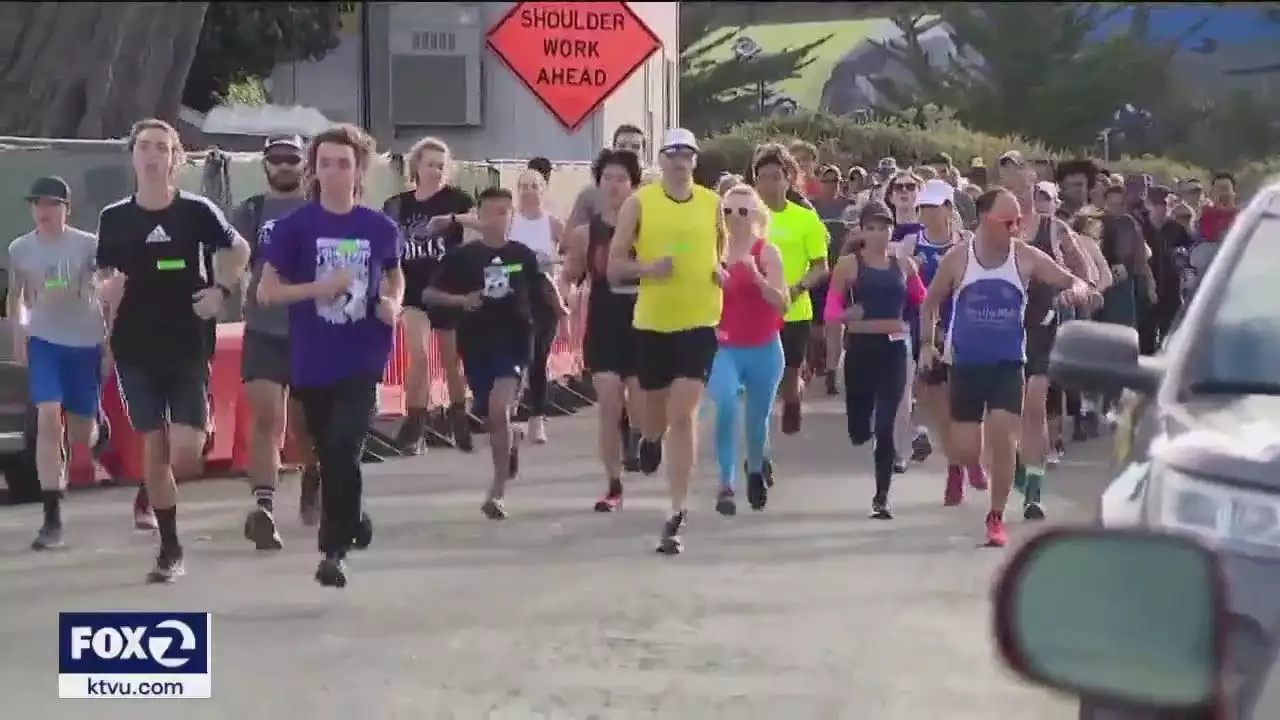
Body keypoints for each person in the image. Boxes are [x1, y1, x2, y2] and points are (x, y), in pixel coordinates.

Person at [96, 118, 251, 582]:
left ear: (175, 160)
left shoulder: (196, 211)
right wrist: (107, 290)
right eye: (144, 146)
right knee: (154, 442)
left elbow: (239, 248)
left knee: (186, 449)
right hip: (135, 345)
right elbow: (101, 274)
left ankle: (152, 485)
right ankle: (170, 549)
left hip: (186, 340)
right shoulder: (114, 217)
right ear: (133, 157)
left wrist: (221, 291)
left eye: (162, 148)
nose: (152, 155)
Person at [258, 124, 402, 588]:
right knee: (325, 451)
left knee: (344, 447)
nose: (333, 172)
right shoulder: (294, 228)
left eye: (343, 163)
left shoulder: (379, 228)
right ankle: (354, 520)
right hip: (311, 358)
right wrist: (320, 288)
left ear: (359, 170)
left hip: (362, 356)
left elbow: (394, 277)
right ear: (313, 170)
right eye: (324, 163)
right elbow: (267, 292)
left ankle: (333, 551)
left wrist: (392, 302)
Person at [919, 188, 1097, 547]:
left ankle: (995, 517)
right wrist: (927, 344)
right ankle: (968, 466)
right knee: (968, 449)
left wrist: (1077, 291)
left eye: (1019, 220)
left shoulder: (1025, 257)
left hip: (1008, 364)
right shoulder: (958, 259)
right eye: (1009, 221)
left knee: (1003, 437)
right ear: (986, 220)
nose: (1017, 227)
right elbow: (930, 302)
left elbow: (1071, 279)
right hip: (966, 364)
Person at [607, 127, 722, 555]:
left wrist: (721, 272)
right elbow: (615, 266)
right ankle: (647, 439)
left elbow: (720, 252)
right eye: (672, 153)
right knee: (655, 417)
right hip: (653, 322)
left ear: (695, 159)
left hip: (700, 319)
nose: (679, 160)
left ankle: (676, 511)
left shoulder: (712, 204)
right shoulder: (640, 203)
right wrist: (649, 269)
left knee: (684, 414)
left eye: (687, 153)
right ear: (660, 158)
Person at [426, 187, 566, 519]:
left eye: (505, 212)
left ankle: (498, 491)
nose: (498, 219)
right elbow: (430, 293)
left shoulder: (522, 254)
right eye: (492, 212)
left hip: (516, 339)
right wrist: (461, 301)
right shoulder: (463, 257)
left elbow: (542, 284)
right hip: (476, 343)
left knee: (499, 409)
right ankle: (511, 440)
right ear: (479, 216)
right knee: (492, 415)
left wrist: (561, 311)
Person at [231, 134, 320, 548]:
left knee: (306, 427)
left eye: (291, 158)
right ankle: (264, 507)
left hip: (309, 330)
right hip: (263, 329)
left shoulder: (316, 210)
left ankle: (313, 476)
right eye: (276, 159)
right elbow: (232, 259)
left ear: (303, 164)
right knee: (267, 421)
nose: (284, 165)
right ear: (265, 164)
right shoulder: (250, 210)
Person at [7, 177, 104, 550]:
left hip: (84, 341)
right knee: (48, 416)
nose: (44, 212)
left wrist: (107, 338)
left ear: (66, 208)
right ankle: (51, 516)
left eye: (52, 205)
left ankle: (97, 427)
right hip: (44, 340)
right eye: (38, 205)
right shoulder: (20, 248)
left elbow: (105, 286)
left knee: (82, 433)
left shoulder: (87, 245)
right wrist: (20, 335)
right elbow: (16, 296)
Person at [825, 200, 922, 519]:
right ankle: (863, 431)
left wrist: (928, 338)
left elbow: (923, 300)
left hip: (894, 349)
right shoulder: (849, 265)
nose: (879, 234)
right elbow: (830, 312)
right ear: (861, 231)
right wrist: (843, 319)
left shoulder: (903, 264)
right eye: (872, 228)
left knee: (885, 426)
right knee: (859, 430)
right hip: (861, 351)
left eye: (885, 227)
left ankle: (882, 497)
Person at [562, 149, 644, 512]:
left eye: (621, 179)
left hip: (644, 322)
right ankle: (613, 486)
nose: (613, 185)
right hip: (604, 322)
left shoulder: (651, 229)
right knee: (609, 401)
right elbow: (569, 274)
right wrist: (564, 296)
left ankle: (639, 433)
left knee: (641, 404)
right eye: (607, 178)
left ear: (634, 185)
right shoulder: (586, 233)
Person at [383, 137, 475, 454]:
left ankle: (459, 416)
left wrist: (453, 220)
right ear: (416, 167)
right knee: (419, 357)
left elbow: (487, 220)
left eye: (441, 166)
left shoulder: (456, 199)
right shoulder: (398, 204)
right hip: (414, 290)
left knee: (451, 361)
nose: (435, 171)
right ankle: (415, 425)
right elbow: (386, 242)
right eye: (430, 165)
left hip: (448, 289)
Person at [1014, 181, 1095, 521]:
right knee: (1005, 415)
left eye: (1027, 192)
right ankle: (1017, 468)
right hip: (1003, 328)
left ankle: (1033, 490)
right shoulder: (993, 231)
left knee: (1034, 406)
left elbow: (1085, 274)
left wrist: (1073, 292)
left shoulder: (1055, 229)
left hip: (1043, 326)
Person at [706, 184, 787, 516]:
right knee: (724, 404)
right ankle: (726, 484)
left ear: (757, 216)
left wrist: (756, 277)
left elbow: (781, 303)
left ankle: (755, 469)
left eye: (743, 211)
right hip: (724, 347)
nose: (735, 218)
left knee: (757, 421)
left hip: (765, 348)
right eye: (727, 211)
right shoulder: (710, 251)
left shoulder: (767, 252)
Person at [907, 179, 986, 503]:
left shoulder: (968, 242)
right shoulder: (912, 243)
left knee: (966, 407)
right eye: (923, 206)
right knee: (941, 409)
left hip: (963, 329)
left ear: (948, 209)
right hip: (923, 328)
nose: (926, 212)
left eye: (933, 206)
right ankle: (958, 465)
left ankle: (967, 463)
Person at [751, 144, 829, 435]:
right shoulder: (746, 216)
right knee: (760, 379)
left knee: (790, 374)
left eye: (776, 177)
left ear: (788, 180)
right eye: (763, 177)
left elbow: (820, 266)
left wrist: (798, 288)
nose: (770, 183)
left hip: (794, 310)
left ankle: (792, 401)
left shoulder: (806, 219)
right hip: (755, 311)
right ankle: (760, 437)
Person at [507, 169, 567, 444]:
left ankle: (537, 418)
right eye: (524, 186)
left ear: (543, 190)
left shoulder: (552, 223)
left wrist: (554, 265)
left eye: (535, 186)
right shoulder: (510, 221)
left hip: (544, 294)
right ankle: (511, 414)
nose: (529, 191)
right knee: (518, 355)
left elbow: (569, 256)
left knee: (539, 357)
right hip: (516, 295)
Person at [884, 171, 931, 469]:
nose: (904, 191)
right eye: (898, 187)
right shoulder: (881, 229)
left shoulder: (927, 231)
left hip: (920, 314)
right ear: (889, 195)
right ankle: (907, 440)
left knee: (909, 388)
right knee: (894, 388)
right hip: (889, 315)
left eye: (911, 187)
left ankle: (908, 440)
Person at [568, 124, 646, 227]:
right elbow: (572, 236)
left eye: (635, 147)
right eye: (622, 146)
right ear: (614, 149)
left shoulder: (654, 192)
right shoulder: (589, 196)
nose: (628, 150)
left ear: (644, 152)